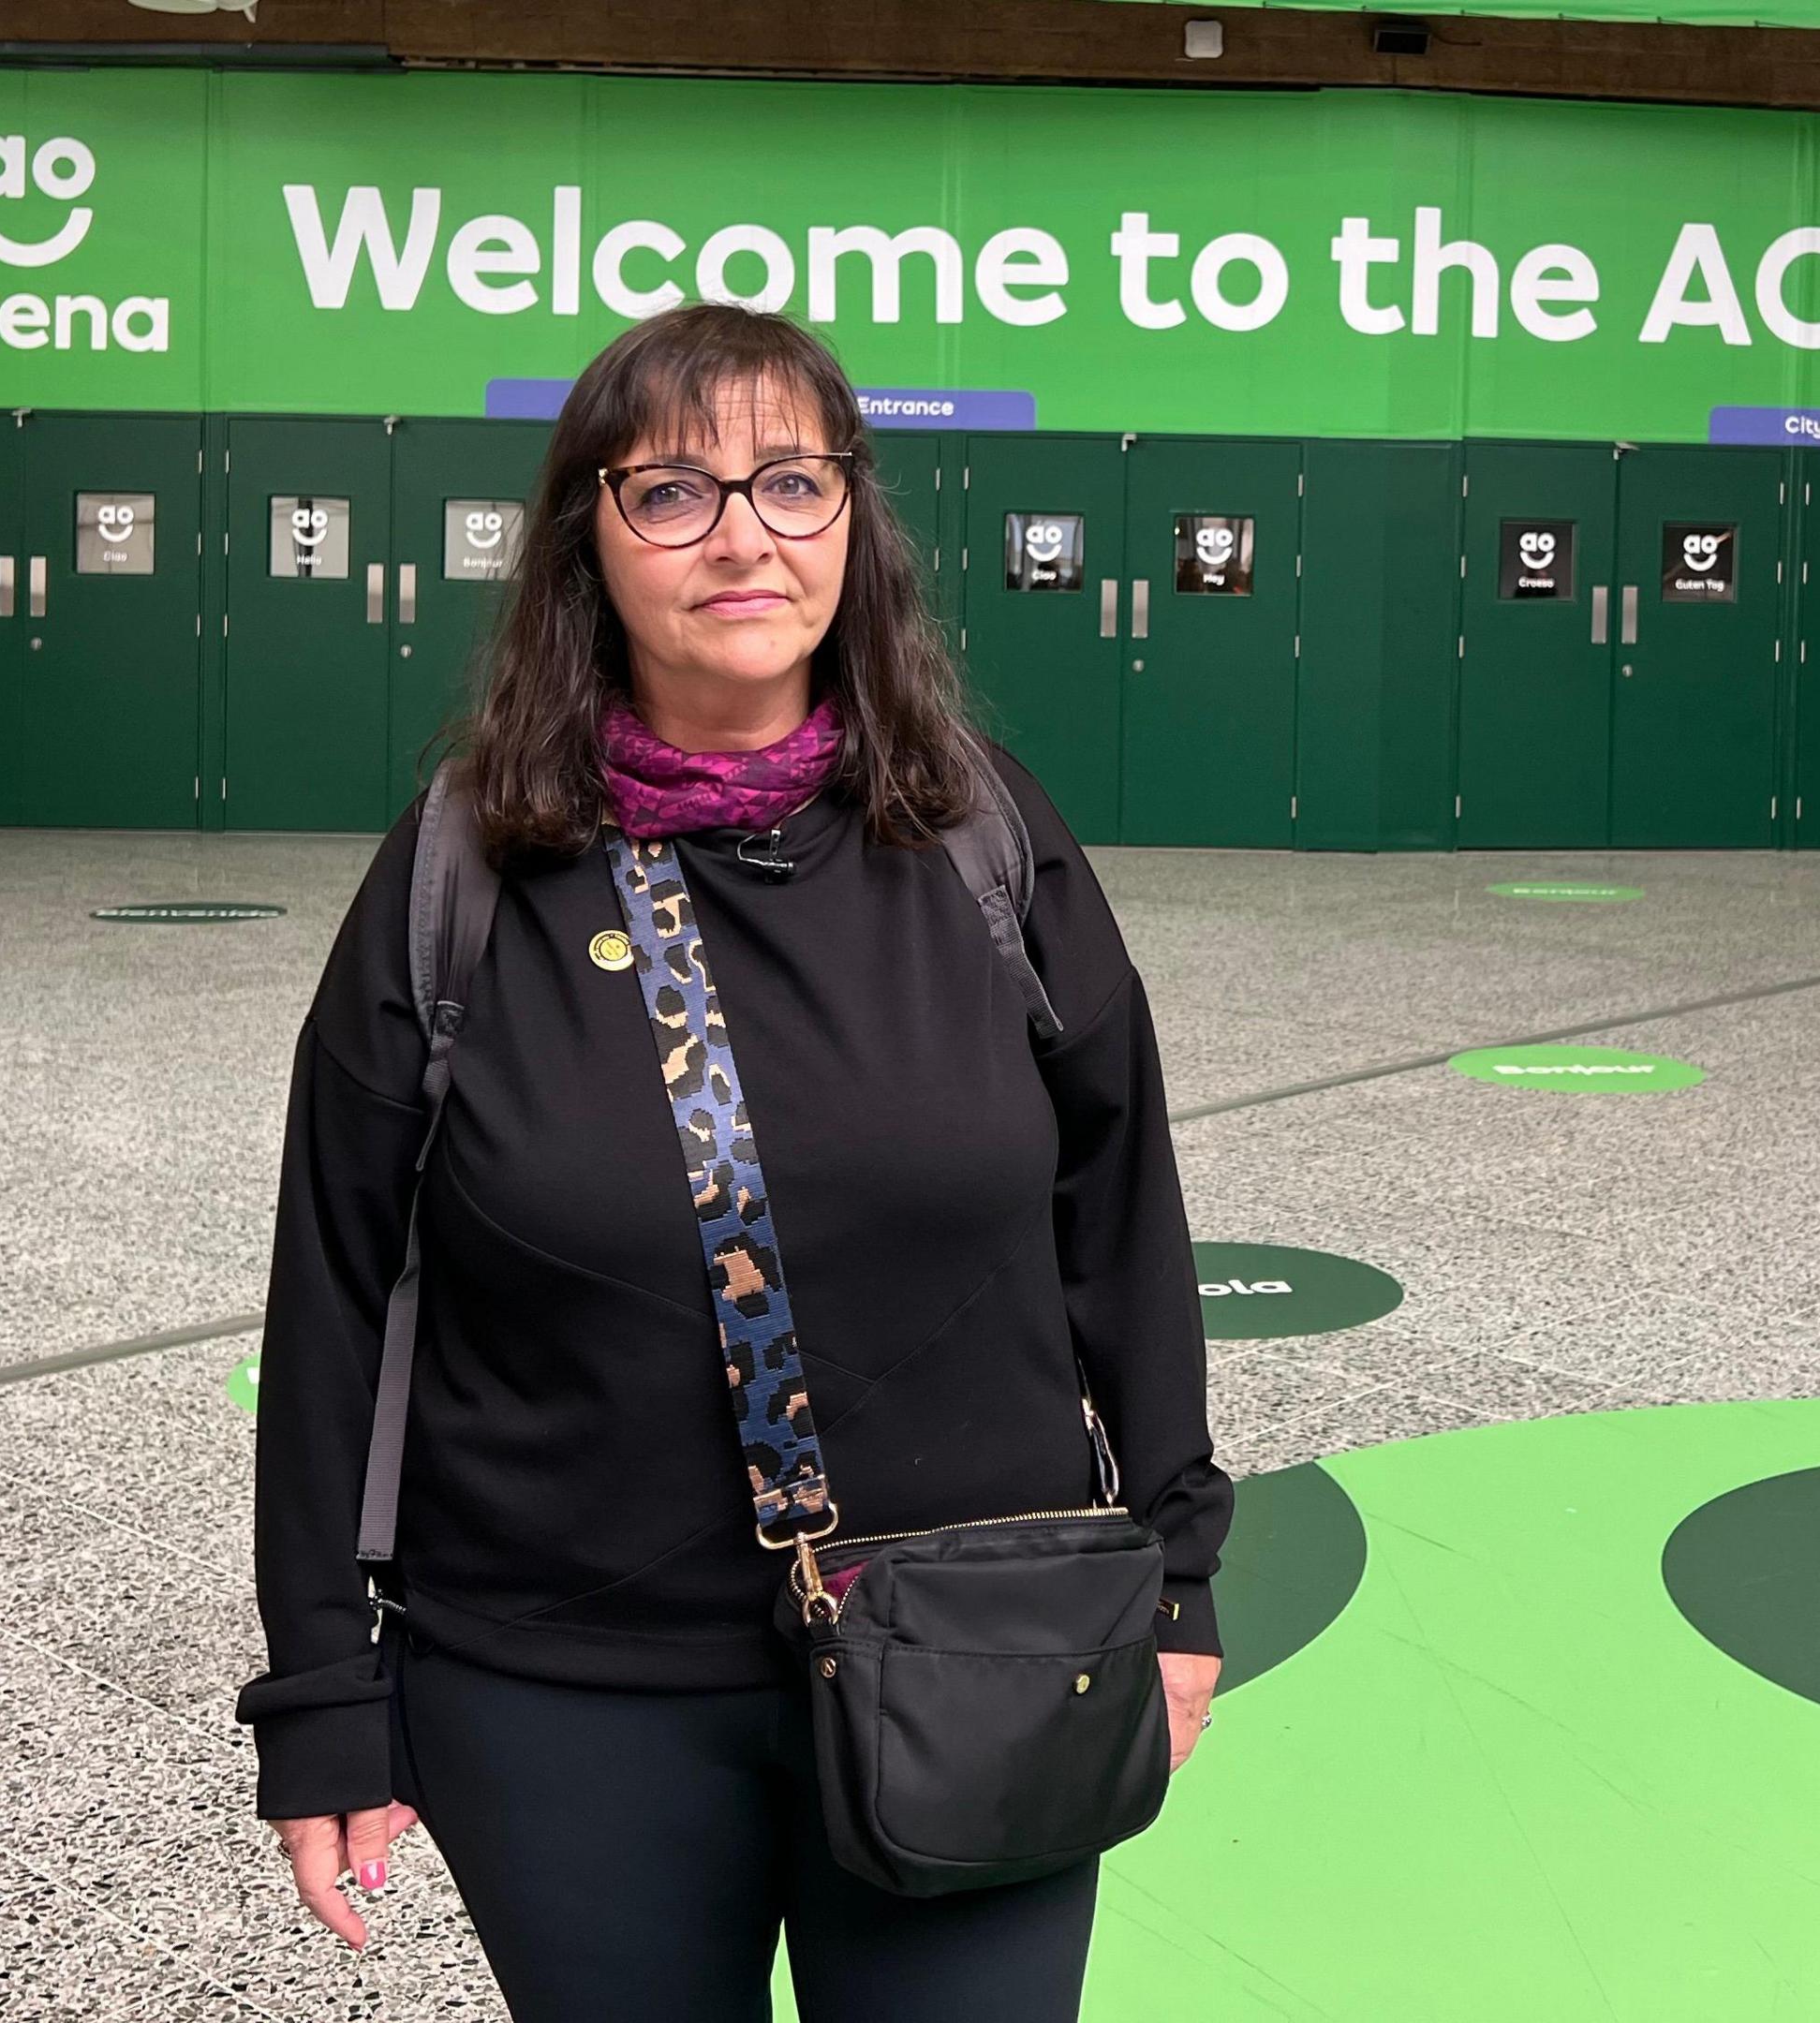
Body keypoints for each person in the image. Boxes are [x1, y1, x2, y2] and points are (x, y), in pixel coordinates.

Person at [236, 302, 1232, 2021]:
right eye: (674, 492)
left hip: (974, 1643)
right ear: (586, 541)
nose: (747, 533)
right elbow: (332, 1283)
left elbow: (1121, 1206)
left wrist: (1180, 1565)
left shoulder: (982, 830)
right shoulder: (462, 871)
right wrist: (322, 1679)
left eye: (792, 479)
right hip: (559, 1688)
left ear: (854, 517)